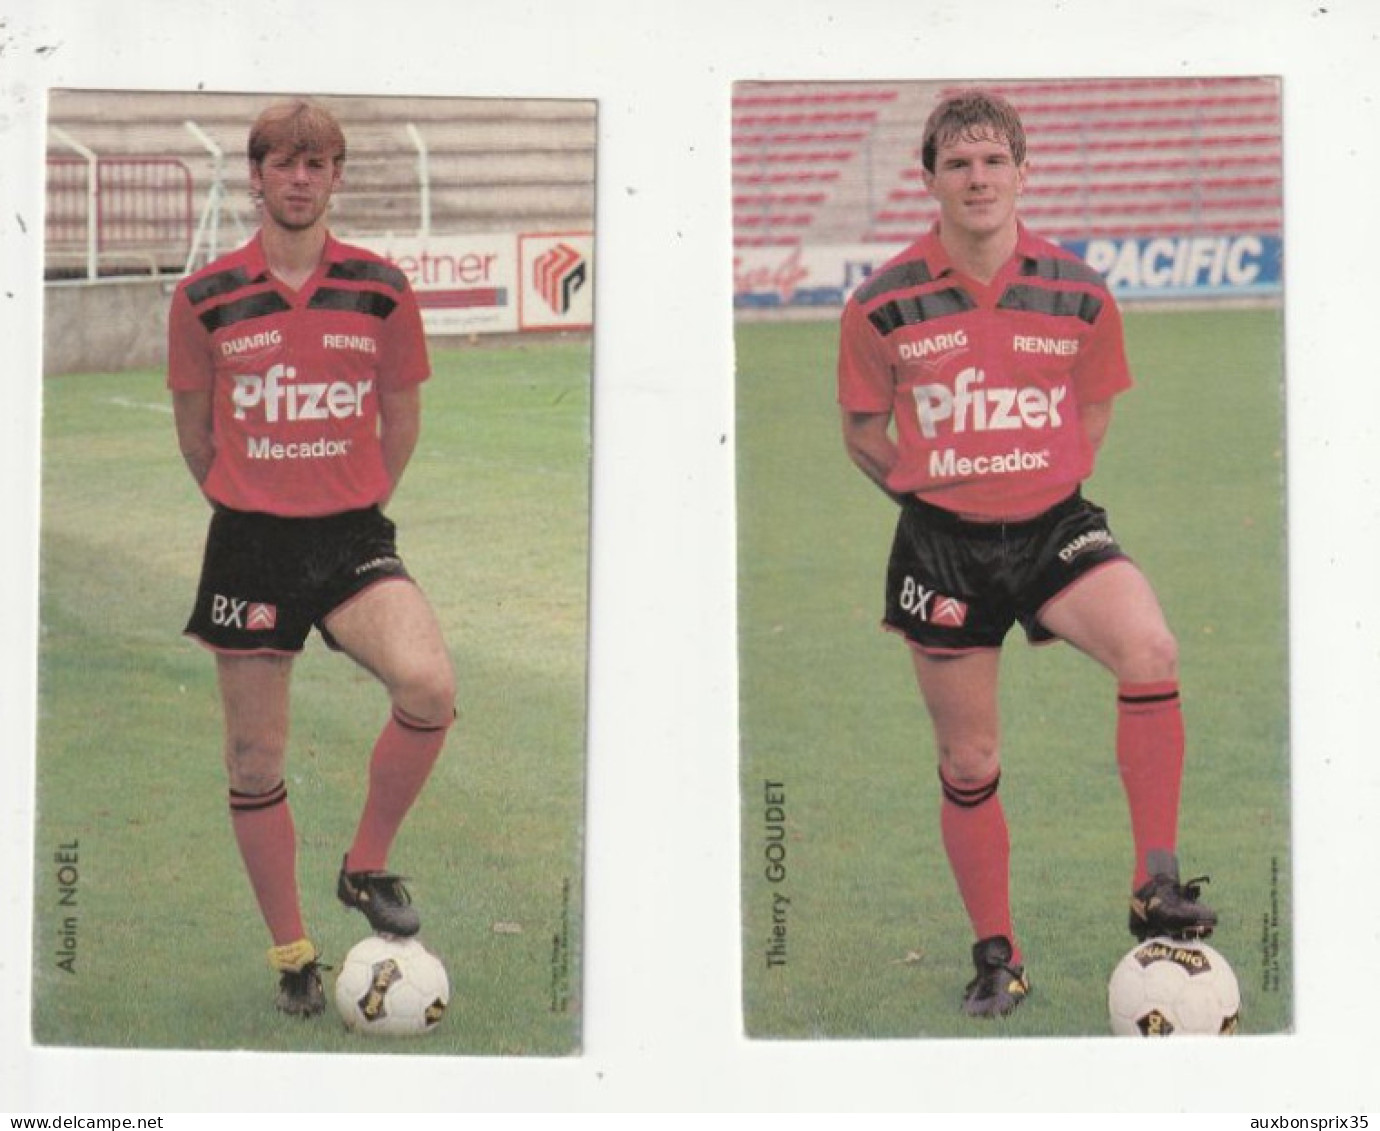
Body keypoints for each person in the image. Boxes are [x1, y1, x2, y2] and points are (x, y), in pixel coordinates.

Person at [836, 90, 1216, 1019]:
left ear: (1022, 173)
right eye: (958, 164)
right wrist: (941, 491)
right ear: (928, 179)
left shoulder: (1080, 289)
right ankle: (998, 952)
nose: (977, 178)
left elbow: (1091, 410)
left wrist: (1038, 477)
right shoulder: (881, 302)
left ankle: (1153, 880)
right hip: (942, 547)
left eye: (993, 161)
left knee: (1151, 649)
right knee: (969, 760)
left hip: (1055, 528)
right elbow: (862, 431)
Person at [167, 99, 456, 1017]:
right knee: (254, 757)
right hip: (249, 541)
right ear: (254, 177)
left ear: (336, 178)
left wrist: (351, 494)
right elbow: (195, 435)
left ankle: (365, 865)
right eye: (283, 164)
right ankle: (293, 954)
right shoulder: (205, 297)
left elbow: (402, 417)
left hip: (349, 535)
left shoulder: (379, 286)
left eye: (317, 164)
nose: (299, 178)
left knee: (430, 685)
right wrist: (254, 497)